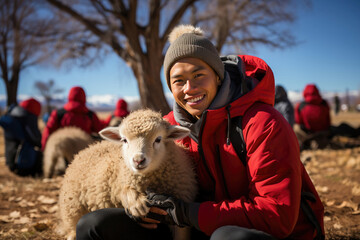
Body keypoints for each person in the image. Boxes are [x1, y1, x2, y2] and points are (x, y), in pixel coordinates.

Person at [76, 25, 324, 240]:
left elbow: (277, 216)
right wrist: (137, 203)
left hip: (269, 232)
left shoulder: (263, 123)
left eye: (198, 75)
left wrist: (189, 213)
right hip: (198, 226)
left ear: (217, 75)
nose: (189, 88)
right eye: (178, 80)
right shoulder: (165, 128)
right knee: (94, 226)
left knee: (227, 237)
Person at [41, 86, 106, 151]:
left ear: (69, 96)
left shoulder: (58, 114)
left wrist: (44, 149)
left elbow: (48, 131)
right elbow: (100, 130)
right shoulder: (90, 115)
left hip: (63, 148)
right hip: (85, 150)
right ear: (84, 97)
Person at [0, 98, 42, 176]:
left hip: (11, 162)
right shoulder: (28, 117)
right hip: (25, 164)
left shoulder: (12, 115)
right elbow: (36, 138)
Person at [294, 84, 331, 150]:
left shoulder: (300, 106)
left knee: (295, 127)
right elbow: (328, 121)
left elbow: (298, 121)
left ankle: (307, 142)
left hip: (308, 134)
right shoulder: (324, 103)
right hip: (323, 133)